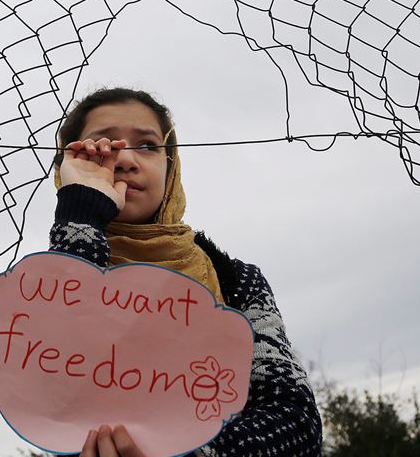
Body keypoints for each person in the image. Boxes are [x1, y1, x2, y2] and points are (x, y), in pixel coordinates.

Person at [49, 88, 322, 456]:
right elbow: (54, 377)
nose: (127, 159)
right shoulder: (45, 282)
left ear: (171, 164)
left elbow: (295, 422)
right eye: (104, 146)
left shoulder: (234, 280)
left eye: (147, 146)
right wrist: (79, 214)